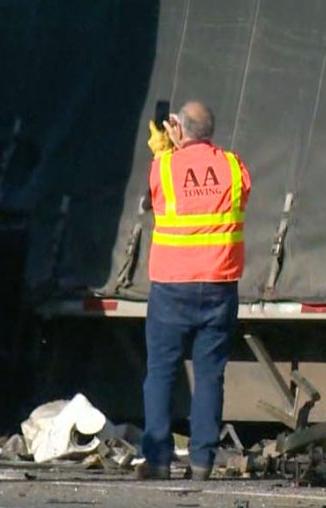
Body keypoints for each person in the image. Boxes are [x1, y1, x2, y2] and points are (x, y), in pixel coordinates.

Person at [137, 101, 251, 481]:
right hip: (219, 287)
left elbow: (157, 199)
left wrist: (166, 149)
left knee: (161, 373)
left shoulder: (164, 167)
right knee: (209, 376)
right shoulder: (234, 167)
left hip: (172, 288)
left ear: (179, 130)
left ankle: (157, 460)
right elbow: (240, 196)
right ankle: (202, 461)